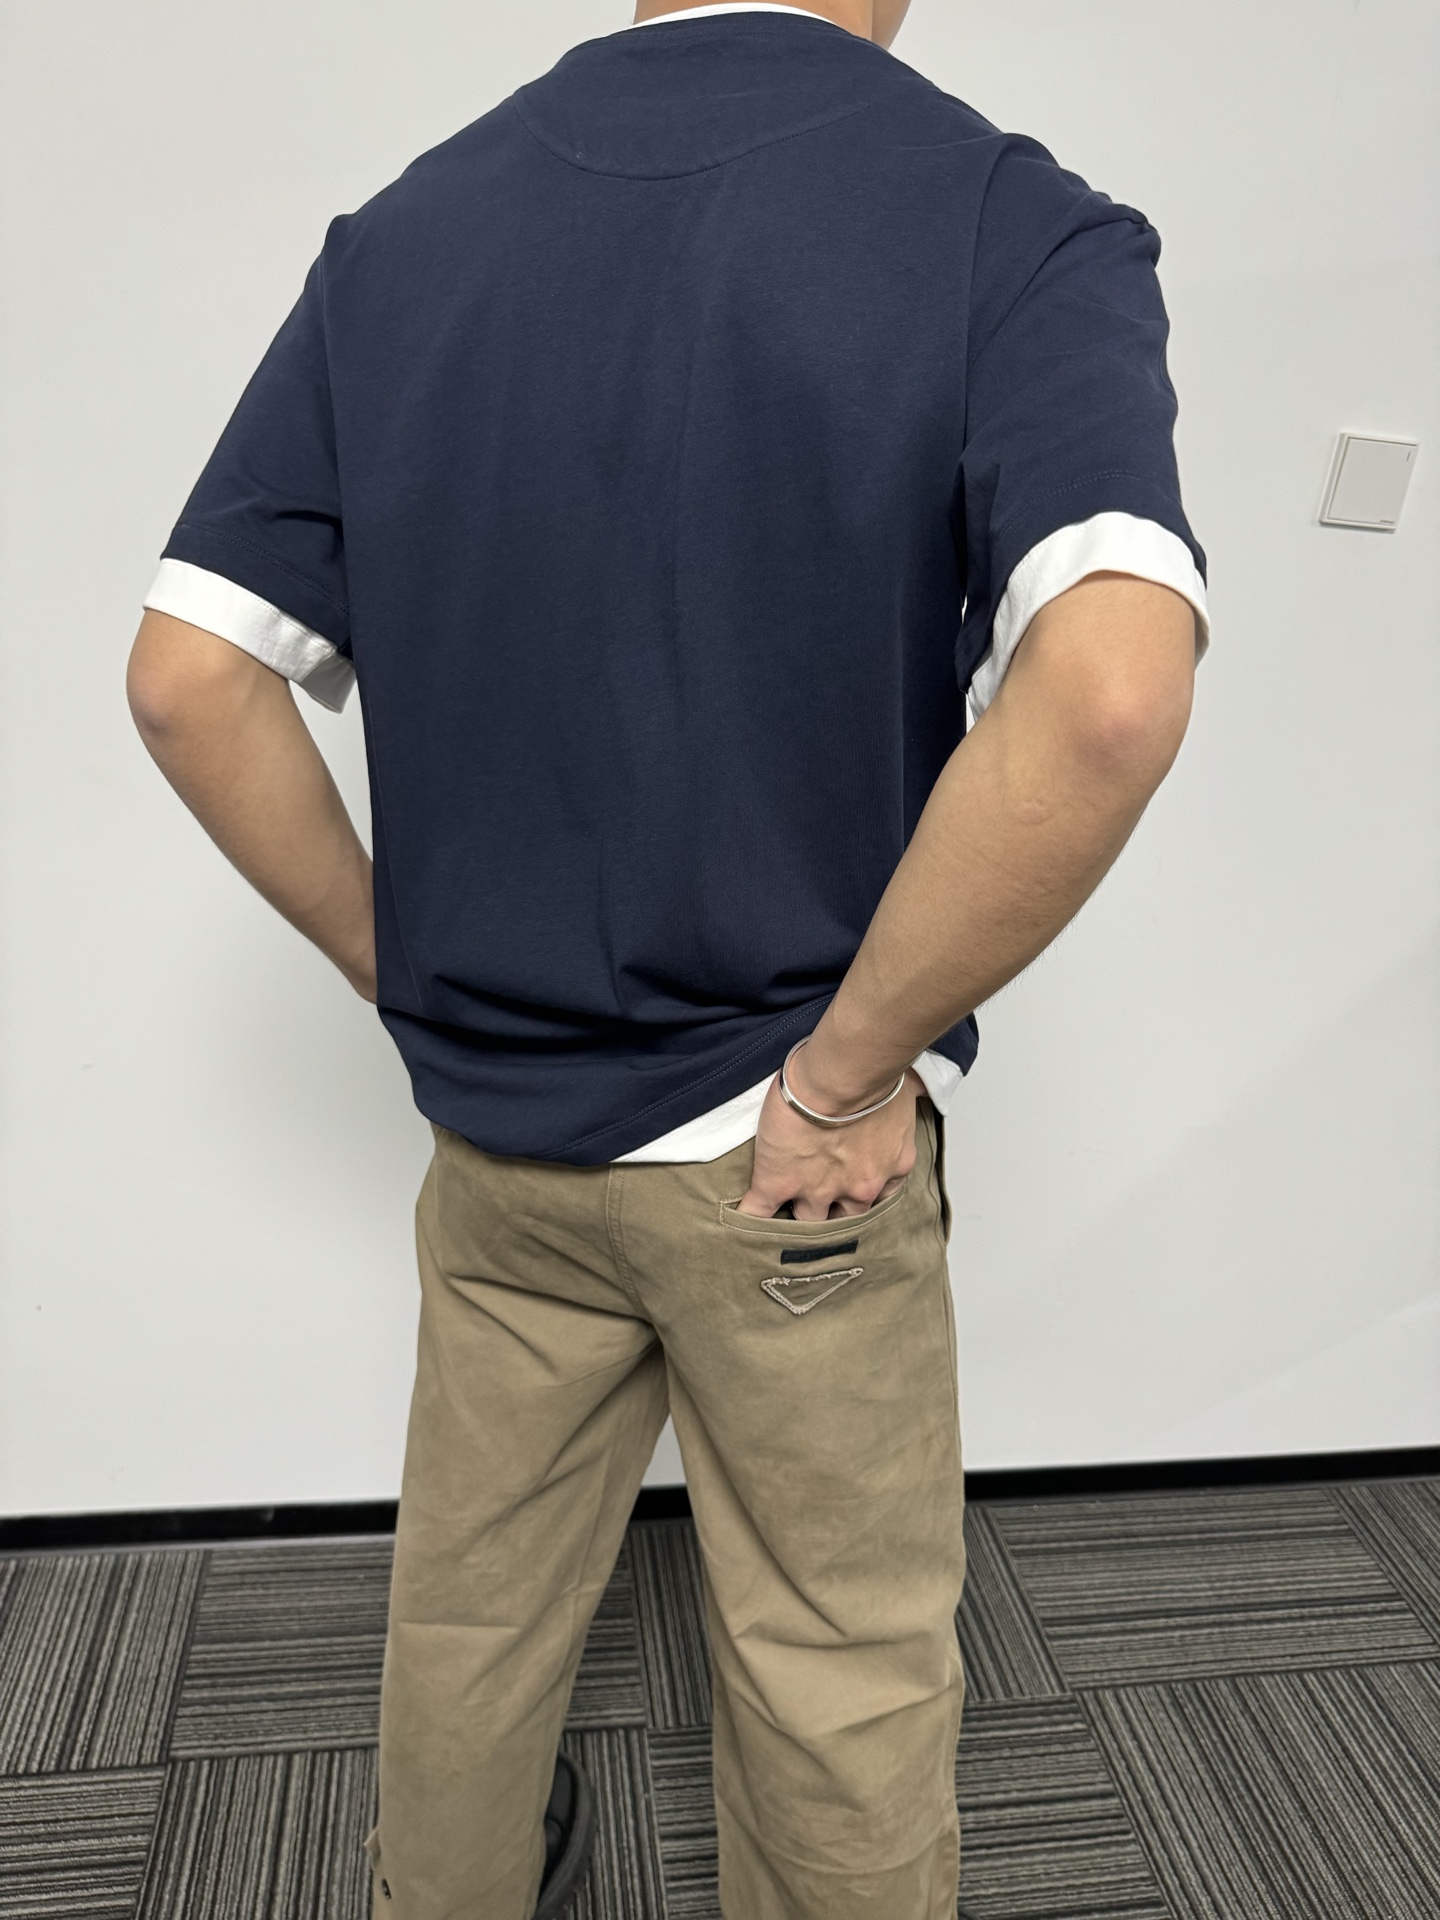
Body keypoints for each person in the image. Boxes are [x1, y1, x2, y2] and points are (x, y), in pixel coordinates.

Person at [126, 2, 1206, 1915]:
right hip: (789, 1149)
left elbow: (187, 677)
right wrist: (846, 1077)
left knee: (469, 1612)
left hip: (500, 1140)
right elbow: (1111, 691)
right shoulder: (1001, 218)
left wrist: (405, 970)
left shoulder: (408, 232)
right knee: (834, 1663)